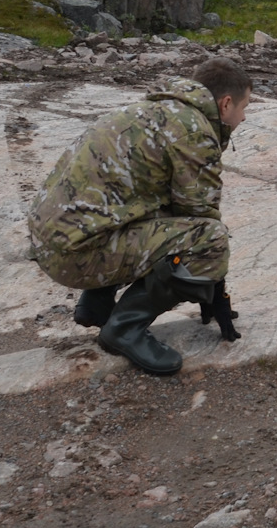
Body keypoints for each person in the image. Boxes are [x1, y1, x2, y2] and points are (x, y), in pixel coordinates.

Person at [26, 57, 251, 374]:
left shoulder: (155, 110)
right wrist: (211, 281)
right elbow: (201, 218)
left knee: (155, 211)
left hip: (52, 240)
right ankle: (124, 328)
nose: (243, 117)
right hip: (72, 254)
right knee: (210, 242)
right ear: (226, 104)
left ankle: (96, 304)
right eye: (244, 108)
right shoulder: (193, 132)